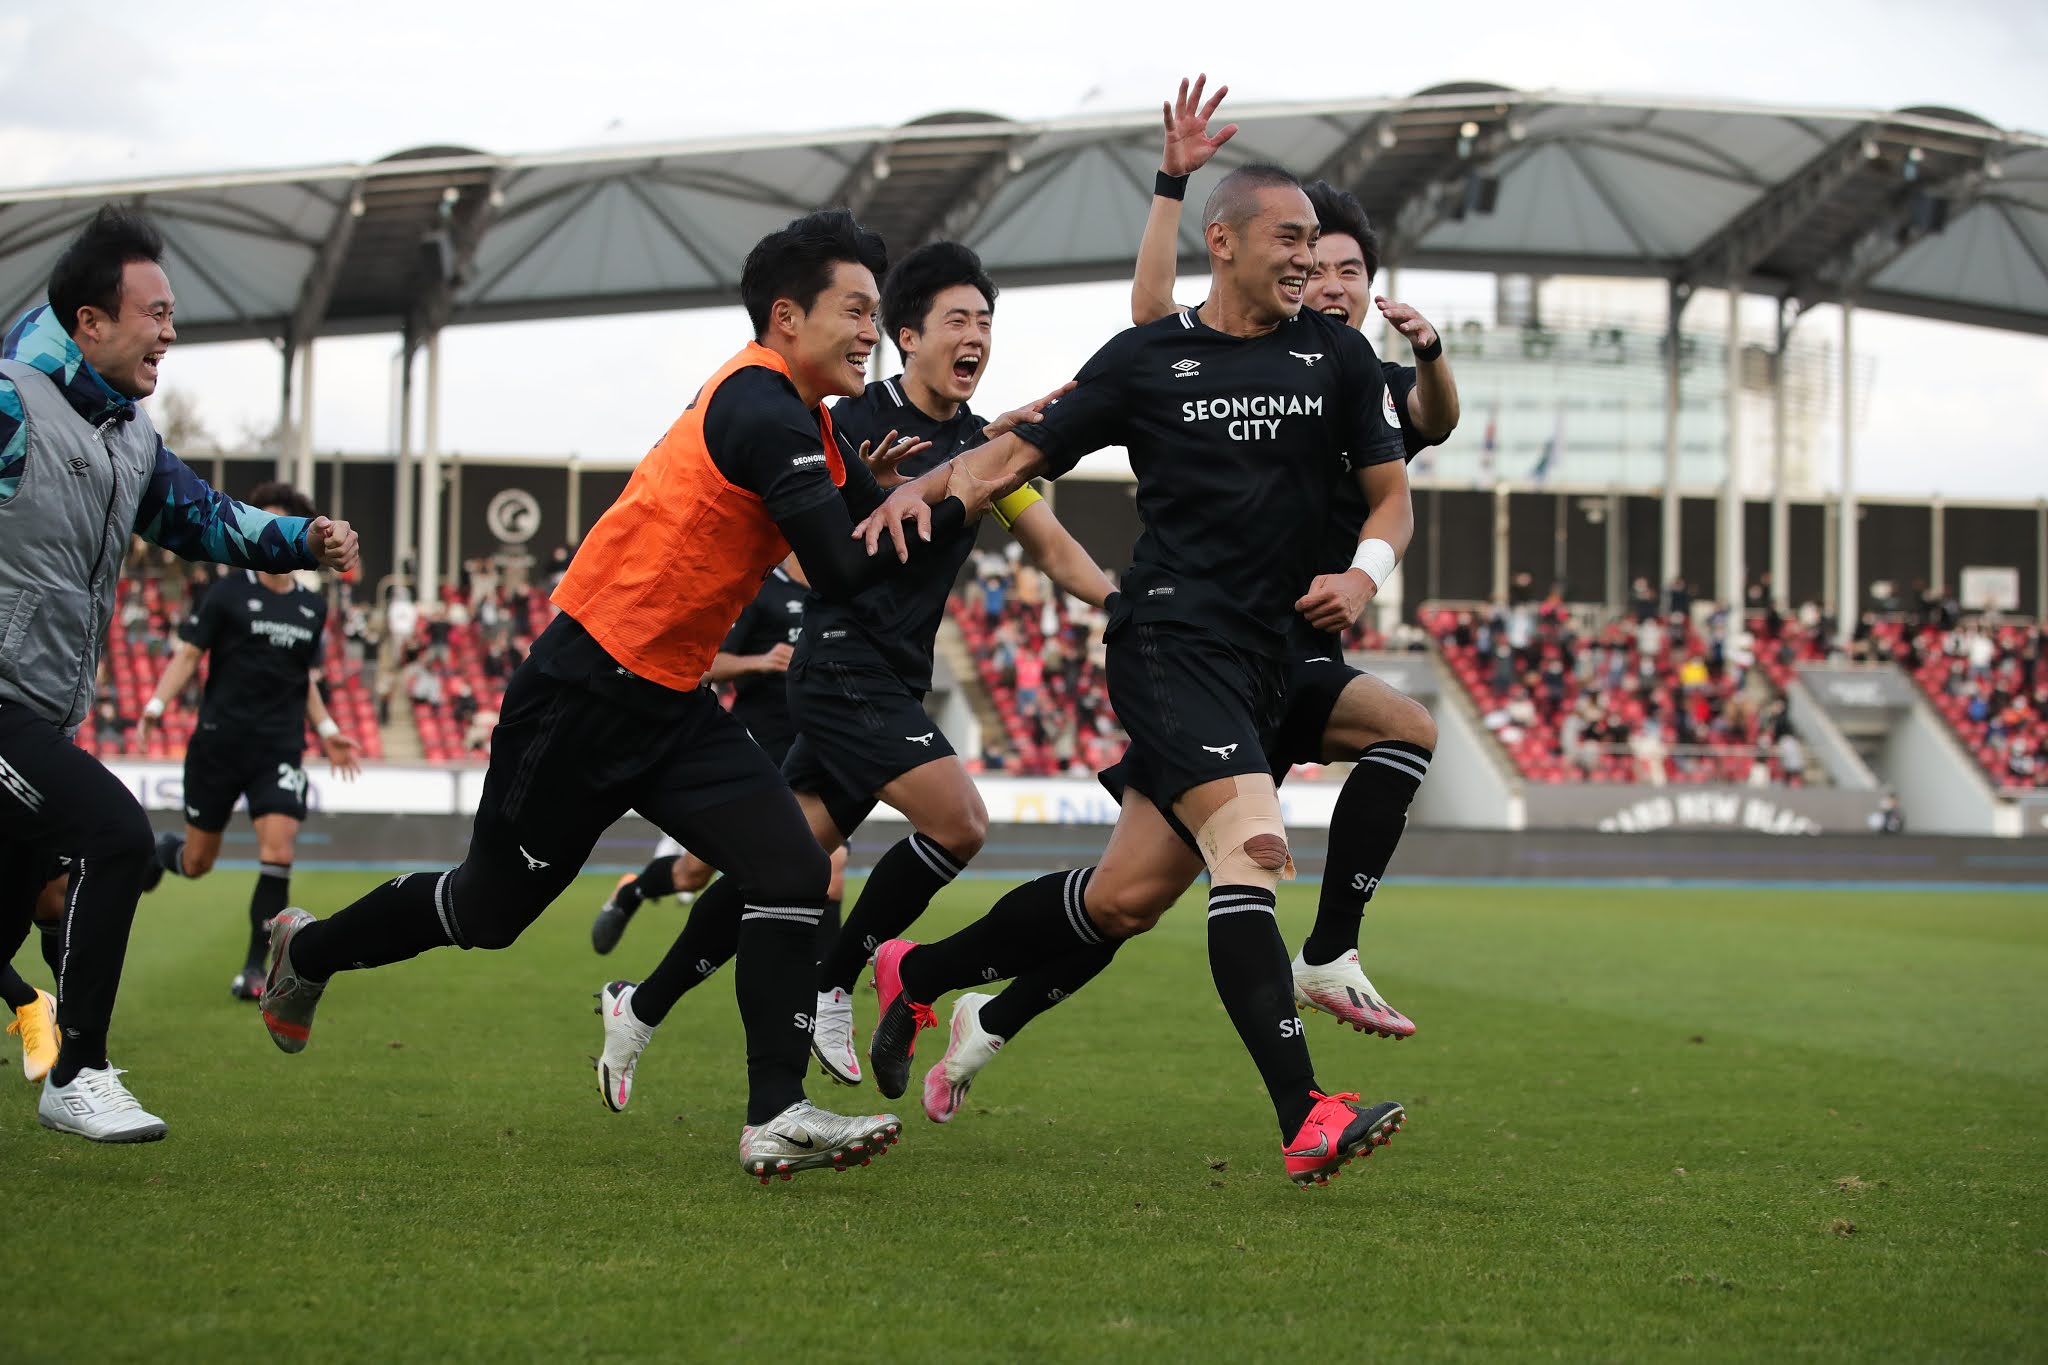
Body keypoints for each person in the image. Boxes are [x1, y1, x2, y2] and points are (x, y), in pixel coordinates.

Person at [255, 209, 965, 1183]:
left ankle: (773, 1115)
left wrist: (869, 491)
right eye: (854, 310)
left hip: (665, 699)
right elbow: (840, 571)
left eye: (874, 314)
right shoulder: (759, 407)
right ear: (786, 316)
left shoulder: (799, 422)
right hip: (582, 692)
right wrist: (933, 495)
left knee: (794, 869)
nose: (868, 333)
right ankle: (311, 949)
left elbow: (822, 523)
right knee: (488, 910)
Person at [853, 150, 1414, 1188]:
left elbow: (1392, 497)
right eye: (1287, 241)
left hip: (1265, 659)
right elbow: (1016, 455)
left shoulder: (1333, 361)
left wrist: (1365, 574)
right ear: (1225, 242)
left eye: (1314, 246)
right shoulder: (1148, 358)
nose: (1306, 261)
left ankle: (916, 970)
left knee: (1123, 902)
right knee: (1251, 848)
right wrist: (929, 485)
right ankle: (1304, 1114)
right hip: (1167, 643)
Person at [595, 241, 1109, 1094]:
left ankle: (639, 1005)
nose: (975, 334)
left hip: (892, 678)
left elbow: (1054, 550)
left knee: (781, 861)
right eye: (957, 319)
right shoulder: (844, 421)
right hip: (840, 668)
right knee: (961, 822)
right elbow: (796, 561)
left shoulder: (986, 447)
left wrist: (1125, 606)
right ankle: (840, 978)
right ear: (907, 336)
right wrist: (860, 501)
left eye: (986, 321)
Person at [0, 205, 357, 1142]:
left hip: (45, 708)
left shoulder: (126, 435)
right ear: (90, 322)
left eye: (173, 313)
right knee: (116, 836)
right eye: (154, 311)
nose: (171, 330)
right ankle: (75, 1074)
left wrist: (302, 540)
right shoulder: (9, 403)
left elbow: (203, 518)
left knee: (24, 905)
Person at [1123, 76, 1457, 1038]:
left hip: (1293, 645)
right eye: (1311, 254)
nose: (1328, 275)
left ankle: (1329, 960)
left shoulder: (1364, 379)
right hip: (1209, 644)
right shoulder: (1238, 359)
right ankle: (956, 990)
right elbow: (1152, 319)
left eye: (1347, 263)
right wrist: (1171, 185)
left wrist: (1431, 351)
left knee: (1401, 732)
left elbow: (1431, 422)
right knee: (1125, 900)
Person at [135, 481, 362, 1000]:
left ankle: (255, 970)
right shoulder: (227, 593)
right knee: (197, 863)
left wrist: (327, 731)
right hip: (218, 743)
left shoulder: (311, 609)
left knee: (278, 849)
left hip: (279, 747)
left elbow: (303, 678)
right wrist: (153, 707)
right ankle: (160, 853)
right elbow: (189, 655)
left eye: (278, 525)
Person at [590, 555, 849, 952]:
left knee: (830, 866)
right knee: (693, 873)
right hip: (756, 748)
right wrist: (760, 661)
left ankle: (828, 997)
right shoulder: (763, 590)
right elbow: (707, 663)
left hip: (812, 749)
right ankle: (633, 892)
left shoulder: (835, 590)